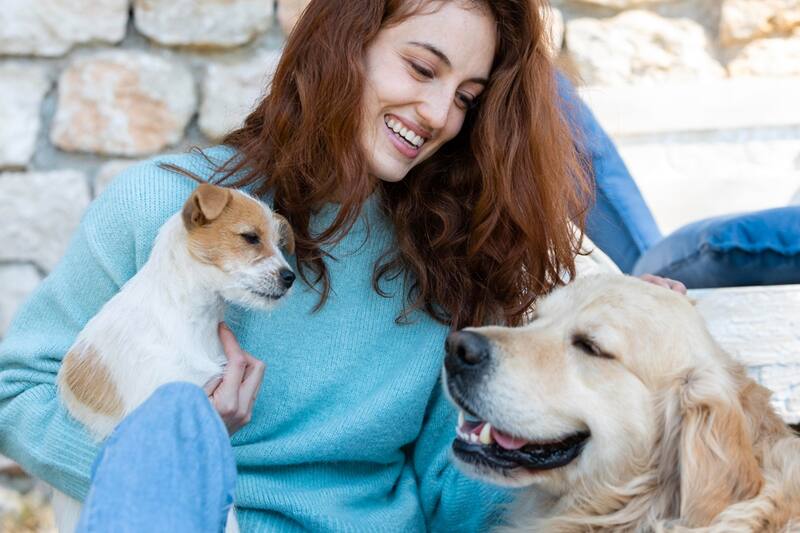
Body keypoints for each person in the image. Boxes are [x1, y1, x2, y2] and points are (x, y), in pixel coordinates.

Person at [0, 0, 684, 531]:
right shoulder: (164, 210)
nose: (439, 114)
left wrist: (629, 366)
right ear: (346, 43)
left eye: (466, 97)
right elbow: (16, 390)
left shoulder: (452, 260)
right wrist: (171, 461)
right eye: (422, 69)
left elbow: (460, 498)